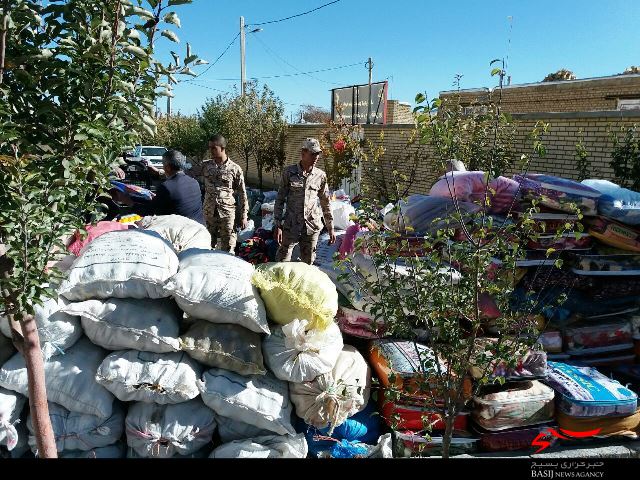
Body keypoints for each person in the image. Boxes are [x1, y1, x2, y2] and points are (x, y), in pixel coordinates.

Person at [273, 137, 335, 265]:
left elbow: (325, 202)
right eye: (313, 154)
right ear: (303, 153)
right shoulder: (289, 172)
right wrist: (278, 225)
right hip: (291, 225)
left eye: (317, 154)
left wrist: (330, 228)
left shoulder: (320, 176)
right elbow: (280, 199)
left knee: (308, 264)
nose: (316, 157)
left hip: (311, 226)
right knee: (282, 261)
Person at [189, 134, 248, 252]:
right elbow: (186, 174)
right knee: (206, 244)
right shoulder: (205, 165)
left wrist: (244, 216)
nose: (210, 151)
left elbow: (242, 193)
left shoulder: (235, 169)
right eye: (209, 148)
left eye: (213, 148)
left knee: (228, 246)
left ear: (222, 148)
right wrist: (161, 173)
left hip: (227, 213)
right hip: (209, 212)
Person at [118, 149, 205, 224]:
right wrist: (157, 198)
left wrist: (127, 201)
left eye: (163, 164)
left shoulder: (166, 187)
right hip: (199, 229)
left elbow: (149, 211)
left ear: (167, 167)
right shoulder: (194, 182)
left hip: (179, 233)